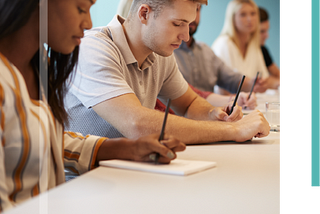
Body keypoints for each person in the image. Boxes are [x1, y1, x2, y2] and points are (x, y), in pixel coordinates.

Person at [0, 0, 185, 211]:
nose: (88, 23)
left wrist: (127, 149)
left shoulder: (40, 64)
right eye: (81, 8)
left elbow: (37, 139)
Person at [64, 0, 270, 145]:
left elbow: (189, 103)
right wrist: (234, 130)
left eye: (188, 25)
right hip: (84, 183)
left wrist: (212, 114)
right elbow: (137, 124)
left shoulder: (160, 54)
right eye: (178, 24)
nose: (186, 36)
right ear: (144, 13)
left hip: (132, 172)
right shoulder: (92, 48)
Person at [174, 4, 257, 109]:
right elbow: (186, 100)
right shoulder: (165, 54)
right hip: (182, 119)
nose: (193, 17)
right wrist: (230, 100)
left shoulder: (205, 50)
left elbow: (232, 79)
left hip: (209, 114)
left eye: (197, 10)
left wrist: (240, 95)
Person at [211, 0, 280, 94]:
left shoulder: (254, 45)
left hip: (250, 103)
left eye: (253, 13)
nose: (249, 19)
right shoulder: (224, 44)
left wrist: (264, 84)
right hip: (230, 104)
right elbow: (222, 89)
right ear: (232, 19)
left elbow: (264, 79)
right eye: (243, 14)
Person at [259, 7, 282, 83]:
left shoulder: (262, 49)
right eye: (262, 31)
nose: (267, 36)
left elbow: (277, 74)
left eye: (267, 30)